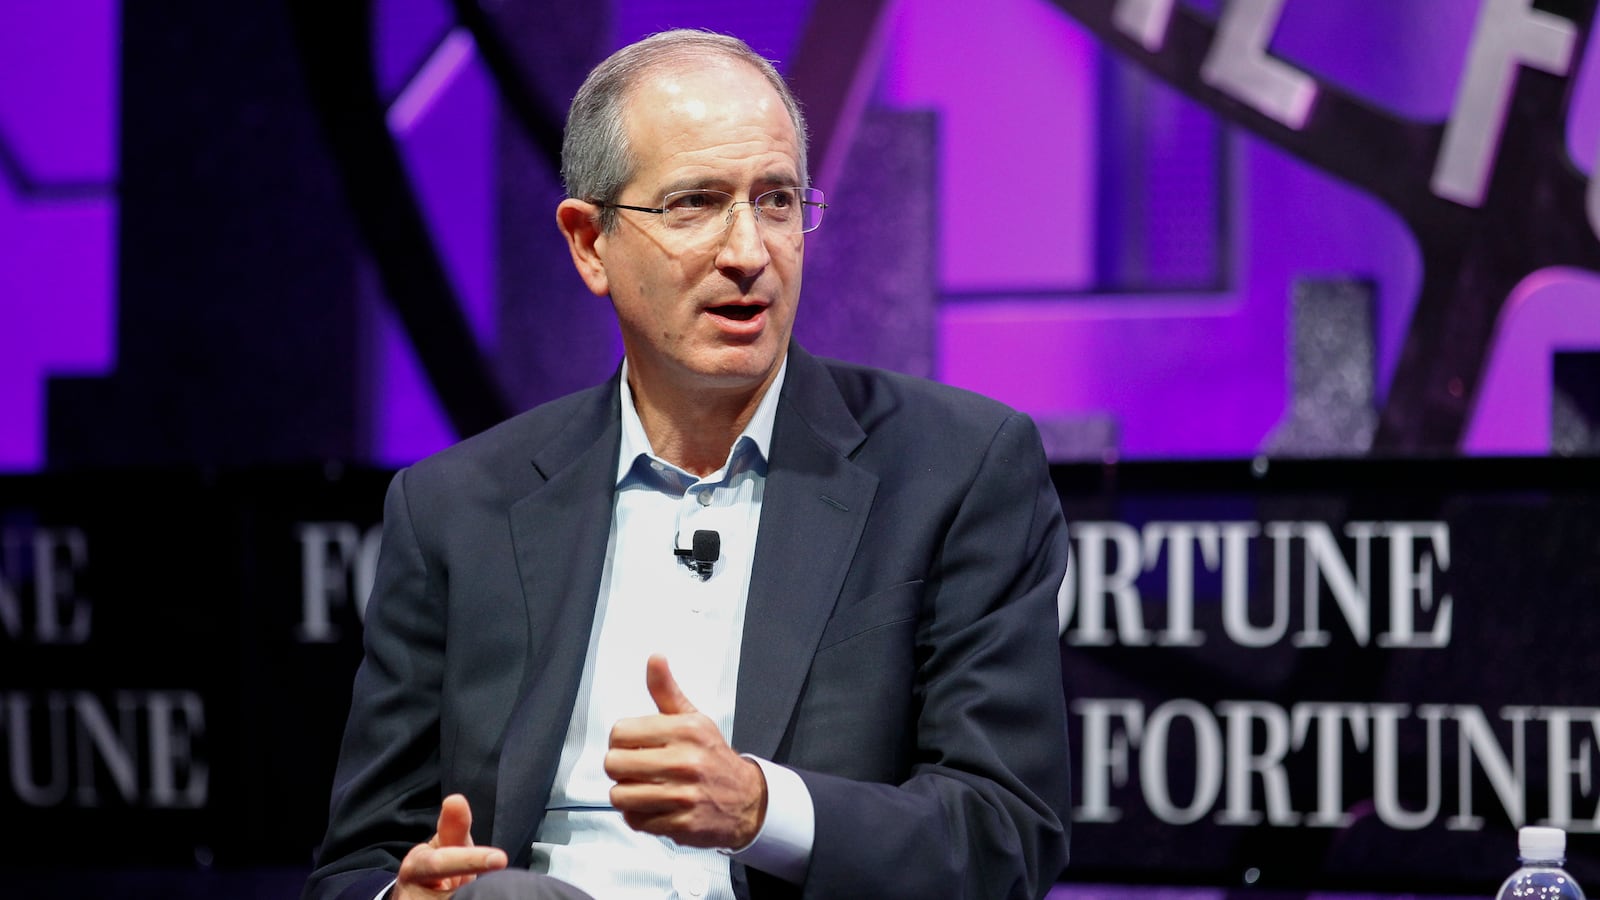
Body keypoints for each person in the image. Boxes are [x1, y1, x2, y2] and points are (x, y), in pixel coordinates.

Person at [303, 27, 1071, 900]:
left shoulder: (957, 471)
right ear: (590, 243)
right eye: (696, 204)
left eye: (777, 201)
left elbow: (1007, 834)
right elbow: (356, 866)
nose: (749, 252)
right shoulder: (455, 508)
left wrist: (758, 807)